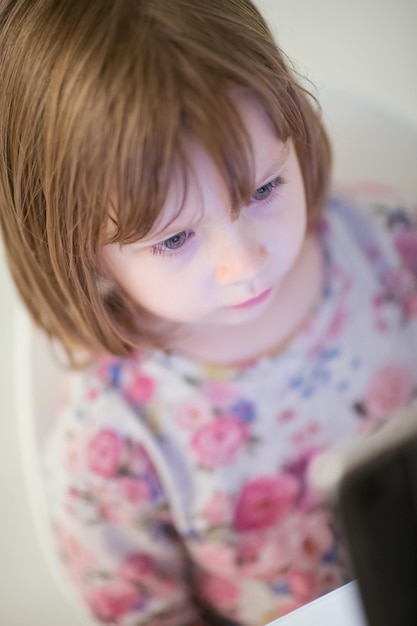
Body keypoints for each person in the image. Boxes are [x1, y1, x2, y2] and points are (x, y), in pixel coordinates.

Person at [1, 0, 417, 624]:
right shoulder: (113, 438)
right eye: (174, 239)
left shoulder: (393, 248)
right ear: (84, 254)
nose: (245, 264)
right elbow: (147, 612)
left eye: (264, 189)